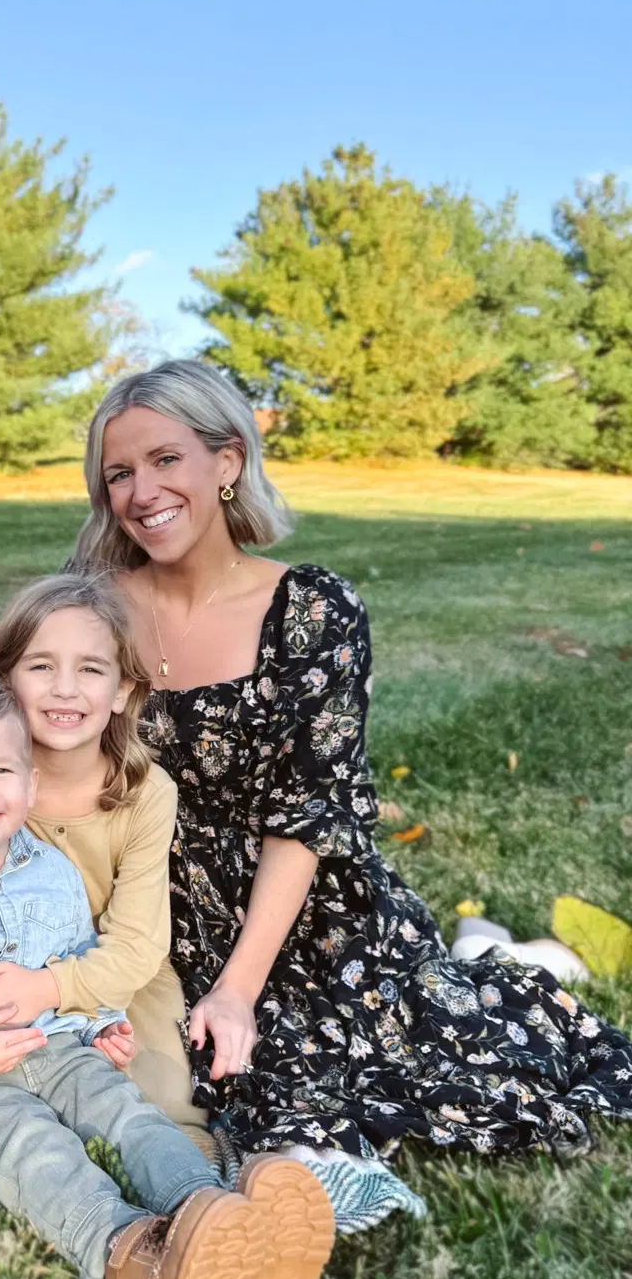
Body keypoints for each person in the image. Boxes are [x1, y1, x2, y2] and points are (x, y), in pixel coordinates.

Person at [71, 359, 632, 1158]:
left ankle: (501, 956)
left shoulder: (313, 609)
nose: (141, 492)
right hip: (141, 904)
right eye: (119, 473)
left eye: (166, 460)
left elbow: (308, 815)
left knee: (379, 1080)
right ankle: (480, 947)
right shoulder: (88, 601)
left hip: (291, 907)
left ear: (226, 461)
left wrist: (237, 989)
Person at [0, 672, 334, 1279]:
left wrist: (101, 1021)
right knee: (35, 1146)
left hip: (57, 1048)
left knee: (129, 1113)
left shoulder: (50, 870)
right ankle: (137, 1258)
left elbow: (74, 959)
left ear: (30, 784)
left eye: (1, 770)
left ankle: (208, 1212)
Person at [0, 570, 208, 1144]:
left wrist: (50, 991)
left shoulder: (145, 792)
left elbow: (136, 947)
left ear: (122, 692)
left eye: (90, 669)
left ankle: (202, 1189)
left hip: (115, 981)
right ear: (4, 684)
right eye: (41, 666)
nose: (65, 689)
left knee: (157, 1108)